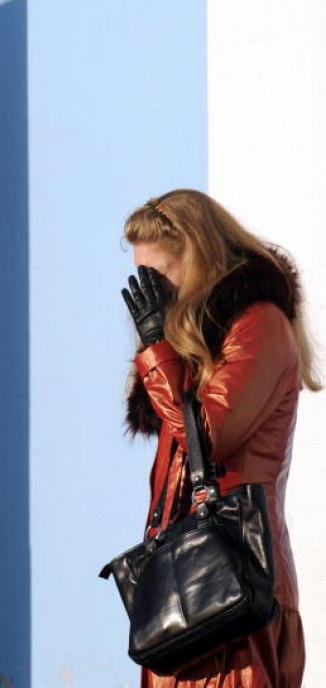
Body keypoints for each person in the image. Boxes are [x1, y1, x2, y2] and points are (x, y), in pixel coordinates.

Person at [120, 189, 322, 687]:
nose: (152, 292)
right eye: (141, 276)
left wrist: (156, 349)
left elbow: (207, 437)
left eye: (160, 274)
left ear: (201, 258)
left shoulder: (259, 324)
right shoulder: (195, 350)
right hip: (188, 594)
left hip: (233, 592)